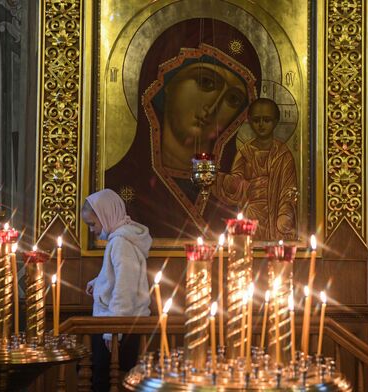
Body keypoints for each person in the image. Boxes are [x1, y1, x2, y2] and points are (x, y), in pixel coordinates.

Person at [105, 18, 262, 240]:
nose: (214, 107)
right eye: (206, 82)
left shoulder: (238, 190)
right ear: (165, 82)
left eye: (233, 99)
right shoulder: (117, 188)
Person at [82, 189, 151, 392]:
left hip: (116, 324)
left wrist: (114, 330)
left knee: (102, 380)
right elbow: (116, 276)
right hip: (113, 323)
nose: (92, 230)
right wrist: (98, 282)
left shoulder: (121, 242)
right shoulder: (120, 239)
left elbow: (125, 286)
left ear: (106, 215)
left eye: (93, 224)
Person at [214, 98, 297, 240]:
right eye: (257, 120)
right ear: (250, 121)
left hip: (275, 213)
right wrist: (217, 178)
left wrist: (285, 214)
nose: (261, 125)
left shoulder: (283, 155)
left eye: (267, 120)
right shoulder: (245, 152)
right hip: (251, 213)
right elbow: (236, 183)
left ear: (276, 121)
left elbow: (288, 189)